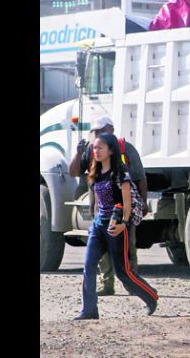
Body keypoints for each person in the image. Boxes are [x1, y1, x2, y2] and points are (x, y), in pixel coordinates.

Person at [74, 133, 158, 320]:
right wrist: (95, 222)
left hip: (118, 226)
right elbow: (96, 201)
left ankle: (151, 297)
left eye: (100, 148)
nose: (95, 151)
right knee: (88, 265)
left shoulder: (121, 174)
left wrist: (123, 225)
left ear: (110, 150)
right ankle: (89, 310)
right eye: (94, 148)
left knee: (123, 272)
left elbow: (127, 204)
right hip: (99, 226)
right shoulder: (95, 173)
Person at [68, 115, 148, 297]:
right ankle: (107, 284)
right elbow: (73, 172)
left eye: (100, 131)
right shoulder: (91, 150)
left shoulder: (126, 149)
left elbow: (140, 177)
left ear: (110, 130)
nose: (97, 135)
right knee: (101, 251)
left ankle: (132, 284)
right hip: (99, 210)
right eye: (95, 132)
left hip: (121, 210)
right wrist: (79, 153)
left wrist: (143, 202)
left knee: (128, 247)